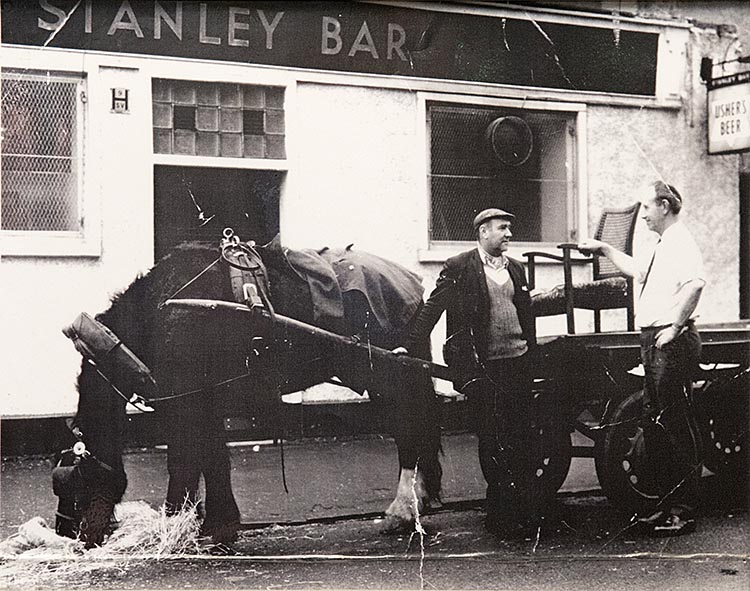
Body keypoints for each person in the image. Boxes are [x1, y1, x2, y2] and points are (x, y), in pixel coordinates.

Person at [396, 208, 539, 536]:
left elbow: (526, 313)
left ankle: (524, 510)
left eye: (509, 229)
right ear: (483, 231)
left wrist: (531, 354)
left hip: (517, 363)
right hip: (482, 368)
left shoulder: (515, 268)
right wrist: (409, 343)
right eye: (502, 228)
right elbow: (433, 306)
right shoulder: (460, 266)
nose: (509, 234)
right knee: (492, 439)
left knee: (519, 437)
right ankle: (500, 514)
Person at [579, 181, 705, 537]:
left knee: (675, 426)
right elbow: (638, 271)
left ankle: (683, 510)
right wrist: (604, 247)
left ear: (664, 206)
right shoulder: (662, 243)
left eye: (647, 208)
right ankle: (667, 508)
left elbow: (696, 284)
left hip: (670, 339)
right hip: (655, 339)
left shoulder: (681, 240)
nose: (644, 214)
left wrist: (675, 327)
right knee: (658, 426)